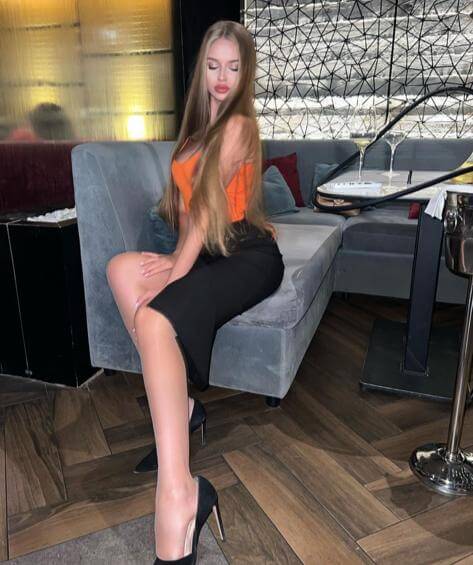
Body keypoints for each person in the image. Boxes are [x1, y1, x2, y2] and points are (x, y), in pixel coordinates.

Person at [106, 20, 285, 564]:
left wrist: (177, 271)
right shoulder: (190, 138)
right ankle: (182, 407)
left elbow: (208, 205)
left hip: (247, 253)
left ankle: (179, 495)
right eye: (212, 65)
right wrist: (174, 259)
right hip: (206, 249)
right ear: (201, 70)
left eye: (233, 66)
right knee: (121, 270)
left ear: (245, 72)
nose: (222, 77)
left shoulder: (240, 127)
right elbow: (187, 215)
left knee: (155, 319)